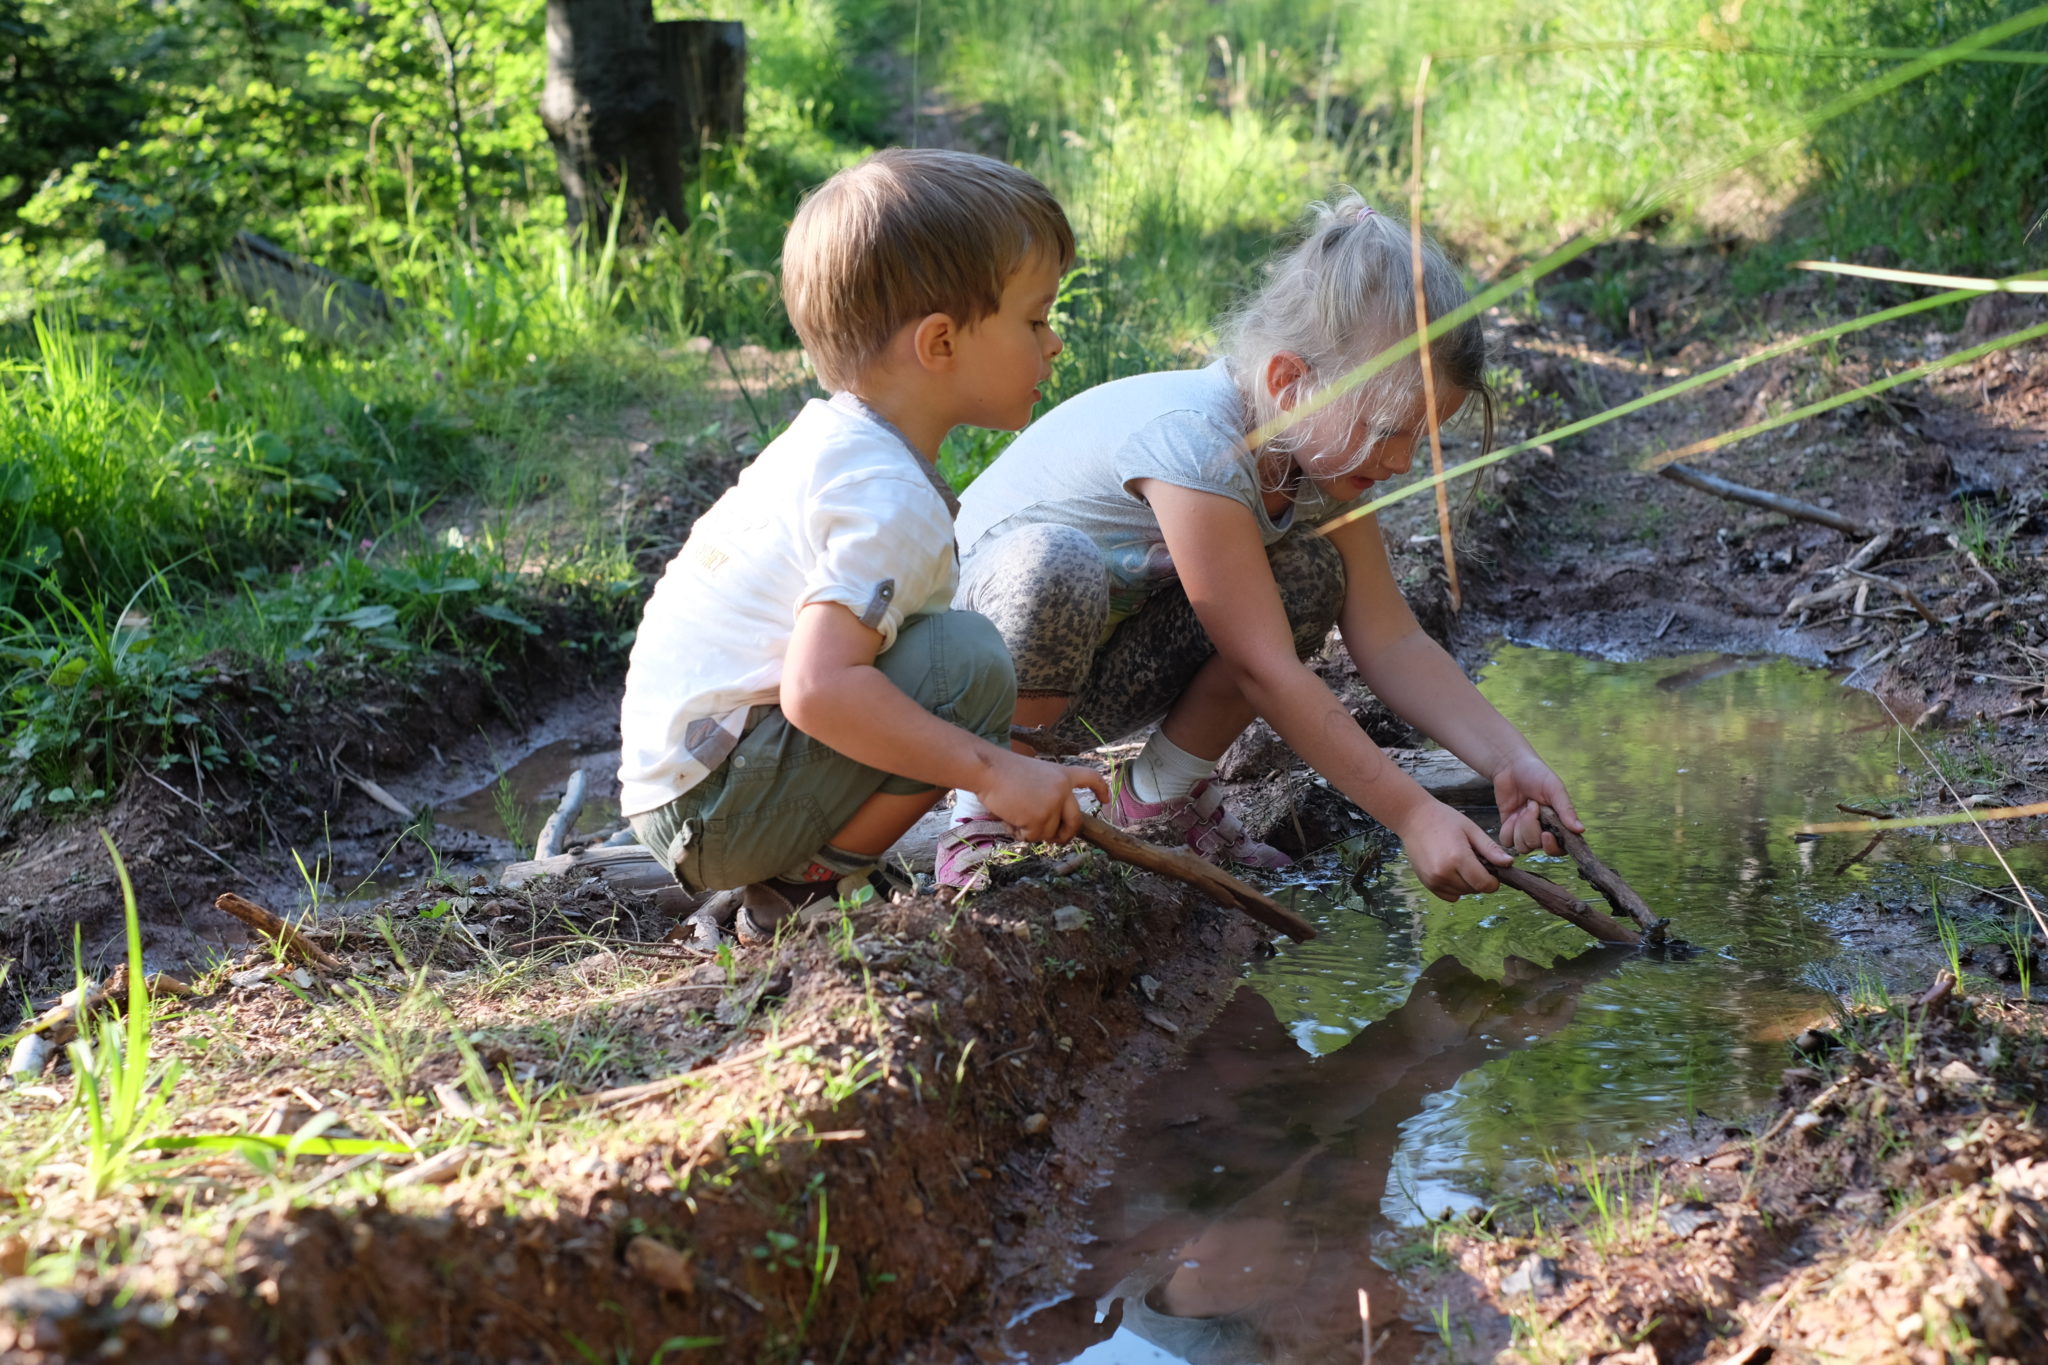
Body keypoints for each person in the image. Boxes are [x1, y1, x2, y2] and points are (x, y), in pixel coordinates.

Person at [942, 191, 1581, 899]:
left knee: (1308, 575)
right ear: (1289, 382)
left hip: (1083, 681)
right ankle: (985, 813)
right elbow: (1266, 670)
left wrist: (1508, 760)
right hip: (966, 679)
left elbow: (1394, 641)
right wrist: (1413, 814)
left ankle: (1158, 798)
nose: (1400, 462)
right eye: (1386, 431)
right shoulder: (1198, 447)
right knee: (1057, 568)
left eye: (1419, 440)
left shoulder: (1312, 460)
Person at [618, 148, 1108, 941]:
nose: (1052, 344)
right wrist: (999, 770)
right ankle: (802, 889)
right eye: (1036, 318)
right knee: (966, 663)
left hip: (690, 784)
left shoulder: (841, 447)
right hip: (711, 808)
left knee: (937, 651)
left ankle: (812, 862)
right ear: (940, 342)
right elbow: (816, 688)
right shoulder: (888, 496)